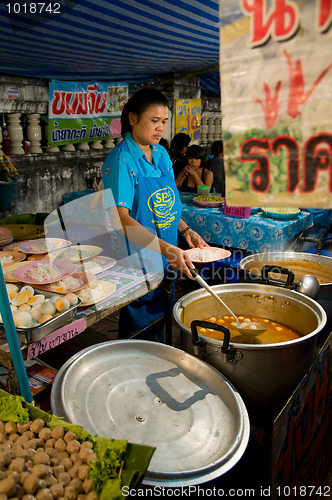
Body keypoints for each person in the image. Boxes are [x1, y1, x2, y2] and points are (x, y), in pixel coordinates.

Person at [101, 88, 208, 338]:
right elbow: (121, 219)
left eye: (164, 122)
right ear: (133, 118)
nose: (160, 128)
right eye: (154, 121)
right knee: (140, 326)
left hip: (166, 253)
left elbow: (166, 206)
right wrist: (168, 250)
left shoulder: (160, 154)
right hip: (138, 259)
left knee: (163, 318)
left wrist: (185, 230)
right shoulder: (122, 161)